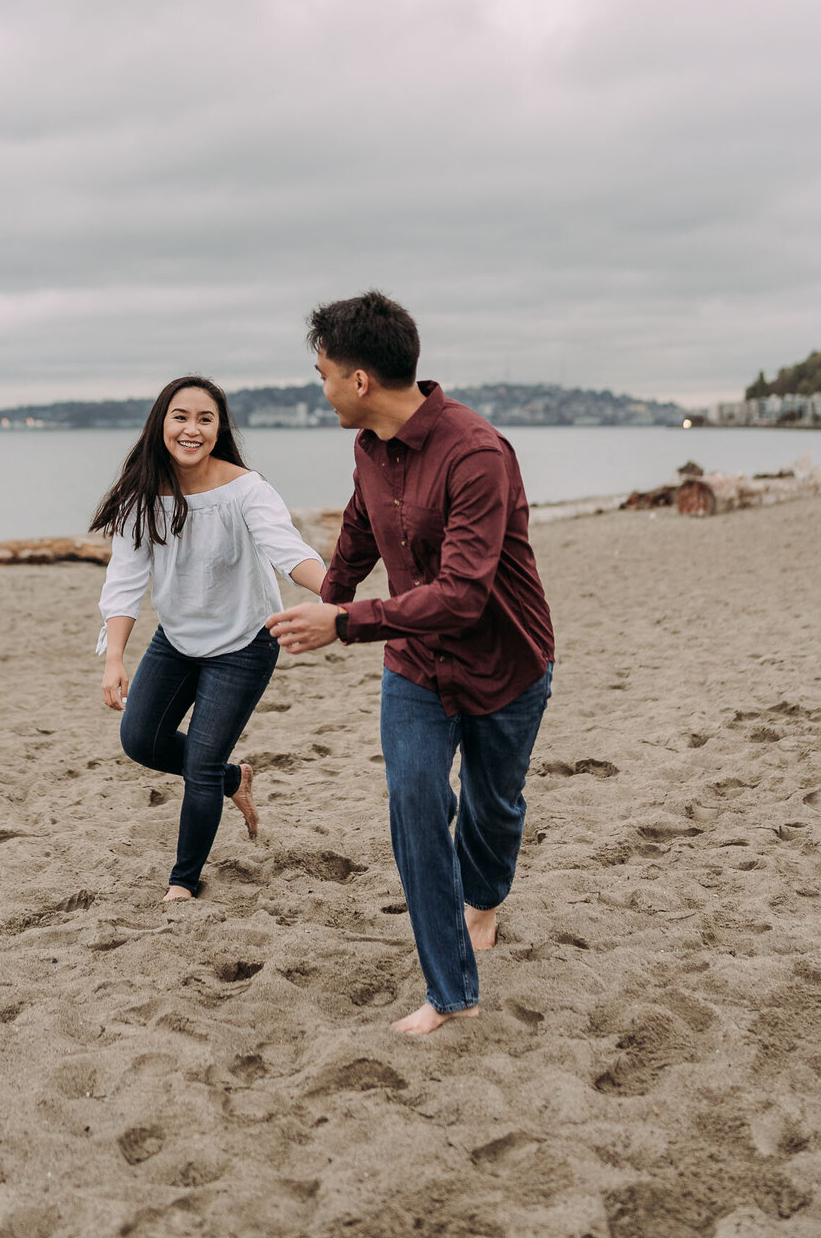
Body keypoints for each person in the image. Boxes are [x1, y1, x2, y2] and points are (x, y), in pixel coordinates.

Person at [269, 291, 555, 1036]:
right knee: (416, 803)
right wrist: (325, 604)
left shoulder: (476, 452)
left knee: (493, 810)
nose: (321, 387)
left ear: (359, 380)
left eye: (324, 373)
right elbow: (361, 528)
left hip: (505, 664)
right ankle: (451, 992)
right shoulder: (368, 447)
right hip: (416, 668)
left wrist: (346, 622)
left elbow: (461, 597)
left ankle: (484, 898)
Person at [92, 375, 327, 903]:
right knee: (139, 739)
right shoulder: (141, 495)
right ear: (162, 423)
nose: (191, 429)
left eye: (205, 419)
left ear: (220, 429)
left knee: (197, 764)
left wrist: (338, 596)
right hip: (177, 639)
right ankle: (232, 778)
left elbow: (288, 552)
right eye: (181, 417)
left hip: (245, 644)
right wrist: (114, 659)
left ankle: (182, 881)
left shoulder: (247, 489)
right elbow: (125, 582)